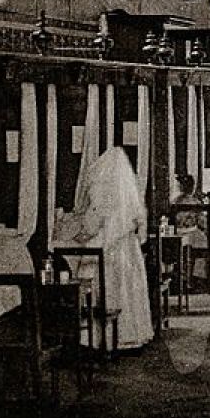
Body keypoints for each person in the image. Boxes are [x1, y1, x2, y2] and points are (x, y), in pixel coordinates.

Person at [54, 147, 154, 349]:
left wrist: (73, 230)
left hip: (104, 248)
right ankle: (127, 335)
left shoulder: (103, 194)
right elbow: (135, 224)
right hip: (127, 250)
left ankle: (100, 339)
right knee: (126, 290)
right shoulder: (127, 197)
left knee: (98, 284)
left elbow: (91, 225)